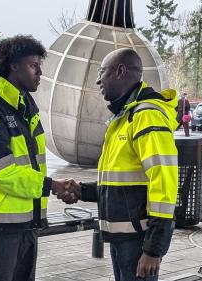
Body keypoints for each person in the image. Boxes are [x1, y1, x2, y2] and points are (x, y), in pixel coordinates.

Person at [0, 35, 76, 281]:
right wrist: (51, 185)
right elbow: (1, 171)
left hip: (24, 225)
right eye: (34, 65)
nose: (40, 72)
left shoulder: (24, 107)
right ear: (13, 66)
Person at [65, 48, 179, 281]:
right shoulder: (125, 117)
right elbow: (123, 183)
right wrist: (83, 190)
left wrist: (153, 249)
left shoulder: (146, 116)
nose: (98, 80)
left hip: (139, 242)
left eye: (102, 72)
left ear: (120, 71)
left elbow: (164, 184)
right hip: (123, 240)